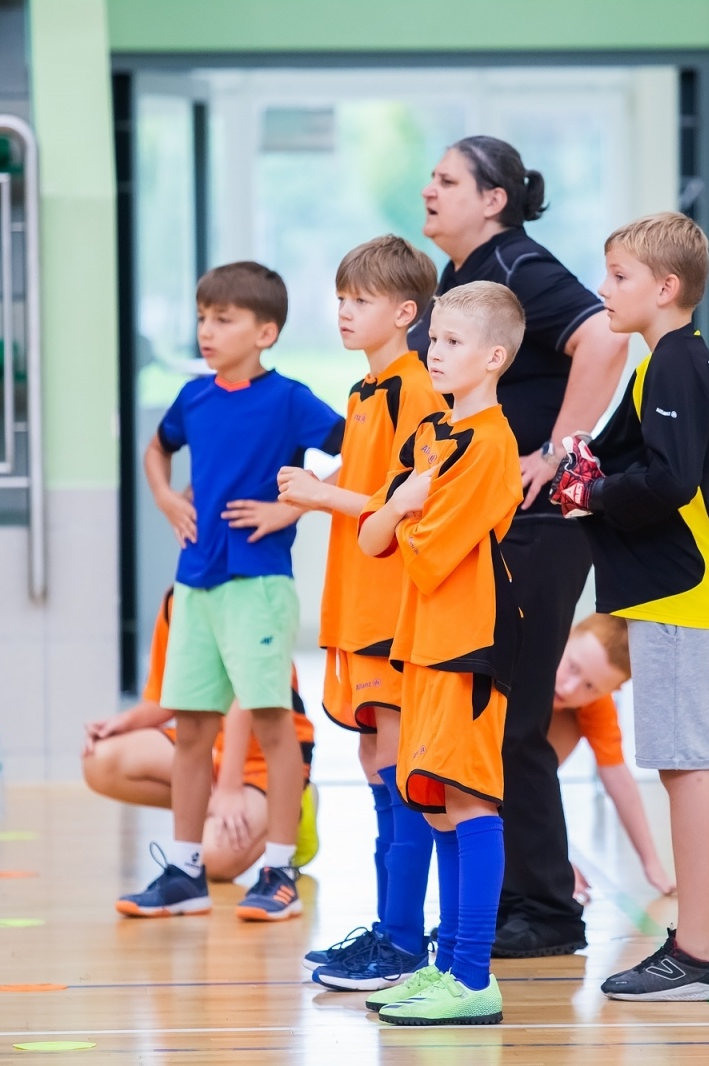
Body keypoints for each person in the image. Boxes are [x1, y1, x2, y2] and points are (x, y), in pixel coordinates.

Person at [410, 135, 629, 959]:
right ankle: (510, 904)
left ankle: (545, 911)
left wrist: (557, 452)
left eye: (446, 180)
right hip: (499, 525)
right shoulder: (461, 277)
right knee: (493, 718)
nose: (428, 189)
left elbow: (604, 339)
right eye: (429, 178)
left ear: (494, 197)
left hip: (537, 526)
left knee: (517, 721)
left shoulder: (516, 265)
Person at [552, 212, 709, 1001]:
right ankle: (697, 945)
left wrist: (589, 489)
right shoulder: (660, 365)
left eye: (620, 276)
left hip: (685, 592)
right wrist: (582, 470)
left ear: (666, 289)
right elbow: (632, 460)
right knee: (683, 766)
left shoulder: (673, 366)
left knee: (690, 768)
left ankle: (699, 954)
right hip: (676, 594)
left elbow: (669, 483)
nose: (604, 290)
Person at [118, 261, 344, 924]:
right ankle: (184, 874)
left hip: (259, 586)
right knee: (192, 730)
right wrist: (164, 498)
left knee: (272, 726)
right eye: (202, 318)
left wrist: (297, 507)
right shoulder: (194, 399)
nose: (207, 331)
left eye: (224, 319)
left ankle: (278, 871)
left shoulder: (292, 399)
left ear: (265, 331)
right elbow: (155, 450)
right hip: (197, 583)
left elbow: (359, 447)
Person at [275, 235, 447, 990]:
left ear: (406, 313)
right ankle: (389, 929)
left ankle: (404, 944)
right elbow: (365, 477)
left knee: (401, 771)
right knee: (375, 767)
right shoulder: (362, 392)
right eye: (341, 300)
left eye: (362, 301)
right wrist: (303, 499)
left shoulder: (418, 391)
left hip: (395, 611)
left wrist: (319, 495)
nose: (345, 313)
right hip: (356, 612)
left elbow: (413, 501)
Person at [358, 281, 524, 1026]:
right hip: (422, 644)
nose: (436, 350)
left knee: (469, 799)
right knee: (441, 808)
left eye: (453, 342)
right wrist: (400, 503)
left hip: (470, 644)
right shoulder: (436, 442)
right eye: (435, 339)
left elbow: (421, 557)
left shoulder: (490, 444)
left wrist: (401, 513)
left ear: (493, 357)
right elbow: (374, 538)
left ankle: (472, 974)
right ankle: (447, 968)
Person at [84, 588, 320, 886]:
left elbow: (244, 699)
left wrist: (230, 787)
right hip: (206, 748)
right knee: (99, 759)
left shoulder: (250, 588)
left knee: (214, 860)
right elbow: (164, 697)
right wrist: (123, 721)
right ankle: (212, 808)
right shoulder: (177, 599)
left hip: (263, 759)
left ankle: (293, 806)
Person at [548, 613, 675, 900]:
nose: (570, 688)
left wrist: (651, 863)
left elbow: (616, 774)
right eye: (571, 667)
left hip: (515, 786)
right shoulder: (530, 650)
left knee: (569, 725)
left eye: (591, 686)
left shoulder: (593, 704)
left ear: (613, 691)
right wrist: (550, 860)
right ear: (566, 636)